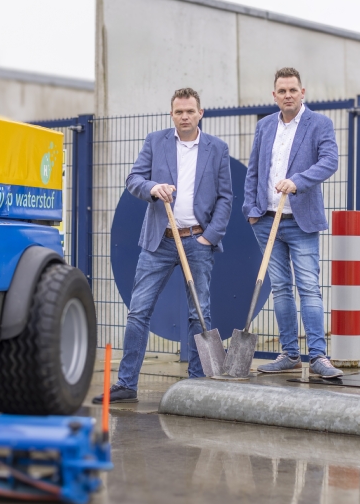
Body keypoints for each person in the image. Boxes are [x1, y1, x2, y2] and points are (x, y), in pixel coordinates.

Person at [94, 88, 232, 403]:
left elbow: (225, 197)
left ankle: (196, 384)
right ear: (172, 114)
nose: (184, 116)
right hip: (160, 240)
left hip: (197, 240)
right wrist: (153, 187)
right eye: (178, 112)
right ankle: (126, 384)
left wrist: (209, 236)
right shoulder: (155, 142)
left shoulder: (217, 148)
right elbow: (133, 179)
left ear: (200, 113)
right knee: (138, 311)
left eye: (190, 111)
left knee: (199, 314)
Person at [242, 67, 342, 378]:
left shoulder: (319, 124)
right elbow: (254, 170)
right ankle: (289, 354)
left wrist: (297, 181)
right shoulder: (264, 126)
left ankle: (319, 356)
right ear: (274, 95)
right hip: (266, 220)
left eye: (293, 90)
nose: (288, 95)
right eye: (282, 91)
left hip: (301, 220)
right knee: (281, 288)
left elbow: (330, 161)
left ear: (302, 92)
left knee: (309, 288)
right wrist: (251, 209)